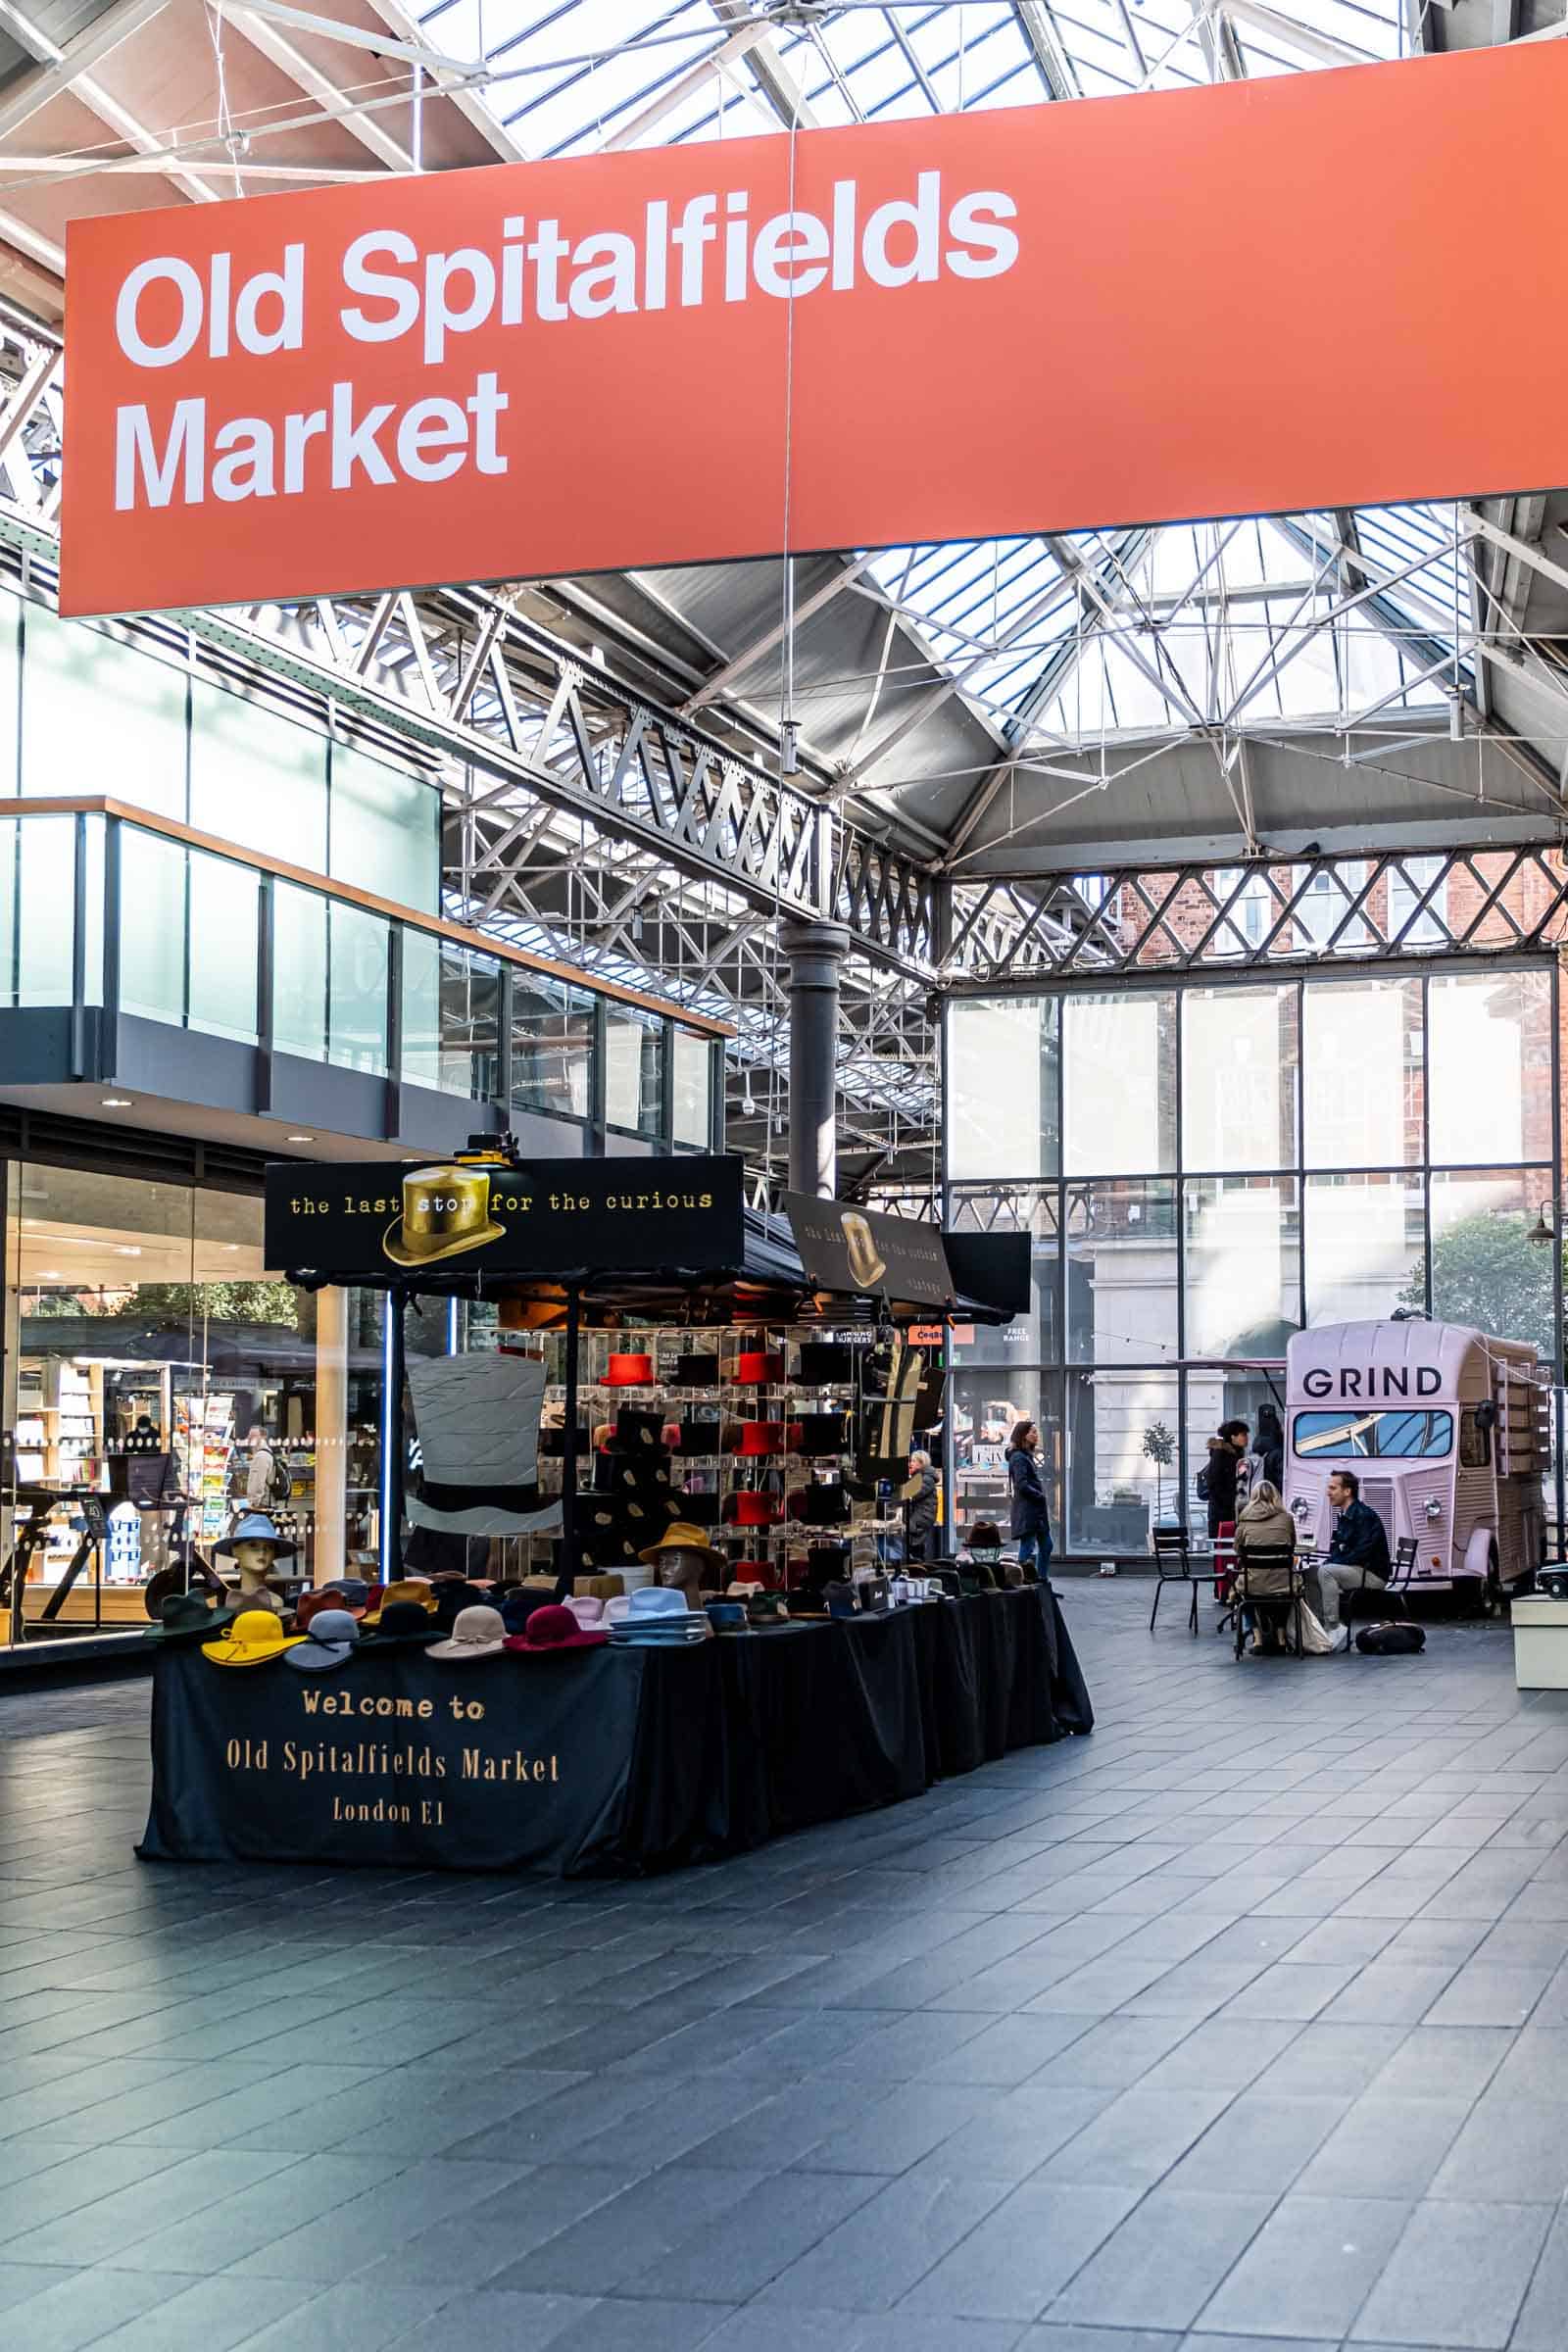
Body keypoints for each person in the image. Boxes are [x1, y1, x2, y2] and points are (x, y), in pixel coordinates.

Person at [1310, 1467, 1391, 1642]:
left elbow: (1361, 1552)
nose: (1328, 1493)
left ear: (1347, 1491)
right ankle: (1318, 1626)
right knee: (1310, 1573)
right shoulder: (1346, 1514)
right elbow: (1340, 1549)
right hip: (1356, 1569)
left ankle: (1334, 1627)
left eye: (1333, 1488)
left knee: (1326, 1571)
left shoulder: (1363, 1516)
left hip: (1372, 1574)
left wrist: (1332, 1564)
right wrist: (1332, 1561)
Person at [1234, 1478, 1297, 1655]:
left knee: (1243, 1594)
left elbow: (1237, 1549)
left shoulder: (1245, 1520)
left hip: (1252, 1583)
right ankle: (1281, 1637)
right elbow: (1292, 1545)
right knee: (1286, 1592)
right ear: (1276, 1497)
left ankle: (1257, 1637)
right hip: (1282, 1582)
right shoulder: (1287, 1519)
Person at [1005, 1418, 1053, 1577]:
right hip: (1029, 1509)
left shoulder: (1025, 1456)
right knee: (1028, 1546)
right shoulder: (1019, 1457)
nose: (1036, 1435)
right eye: (1032, 1432)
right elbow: (1021, 1484)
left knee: (1045, 1545)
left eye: (1036, 1432)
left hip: (1034, 1509)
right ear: (1023, 1435)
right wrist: (1039, 1495)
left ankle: (1040, 1580)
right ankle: (1022, 1580)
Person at [1202, 1419, 1250, 1539]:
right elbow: (1215, 1482)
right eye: (1243, 1434)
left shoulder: (1237, 1454)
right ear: (1232, 1437)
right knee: (1223, 1548)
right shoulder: (1221, 1454)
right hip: (1221, 1512)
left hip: (1231, 1509)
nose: (1246, 1438)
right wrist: (1230, 1502)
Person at [906, 1448, 939, 1561]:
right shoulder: (919, 1477)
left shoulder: (927, 1479)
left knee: (908, 1532)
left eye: (913, 1461)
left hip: (923, 1516)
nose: (910, 1464)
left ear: (921, 1463)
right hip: (920, 1514)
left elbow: (914, 1494)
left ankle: (916, 1563)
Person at [1253, 1403, 1285, 1493]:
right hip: (1274, 1496)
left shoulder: (1257, 1448)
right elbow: (1281, 1480)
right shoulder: (1278, 1452)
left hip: (1260, 1494)